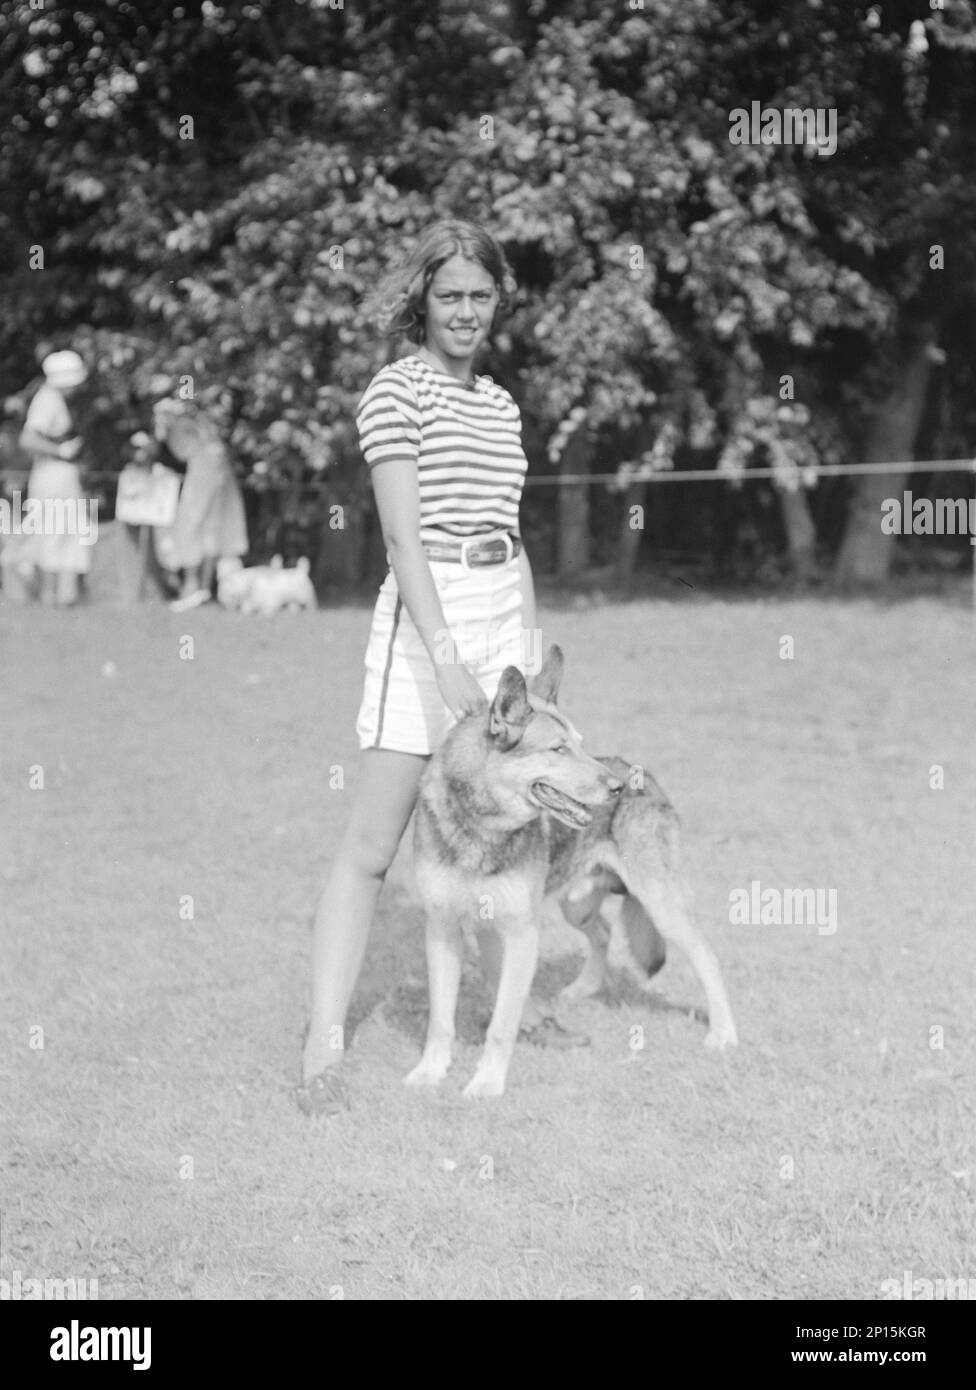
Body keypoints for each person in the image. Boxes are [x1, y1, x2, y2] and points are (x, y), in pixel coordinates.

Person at [298, 219, 587, 1116]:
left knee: (507, 833)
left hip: (502, 606)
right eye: (450, 294)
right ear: (422, 299)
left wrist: (525, 653)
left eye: (480, 295)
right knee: (375, 844)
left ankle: (494, 1037)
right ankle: (322, 1040)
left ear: (498, 301)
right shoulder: (396, 392)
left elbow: (511, 530)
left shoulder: (500, 405)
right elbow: (400, 537)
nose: (465, 311)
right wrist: (447, 655)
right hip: (430, 617)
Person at [152, 400, 248, 611]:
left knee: (195, 527)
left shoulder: (191, 428)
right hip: (206, 474)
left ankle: (196, 586)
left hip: (204, 477)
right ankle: (198, 587)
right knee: (205, 530)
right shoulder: (197, 427)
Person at [17, 350, 91, 606]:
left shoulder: (54, 398)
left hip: (59, 474)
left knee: (68, 531)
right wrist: (61, 450)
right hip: (52, 473)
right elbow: (28, 439)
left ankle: (65, 594)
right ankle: (50, 594)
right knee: (53, 532)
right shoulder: (47, 399)